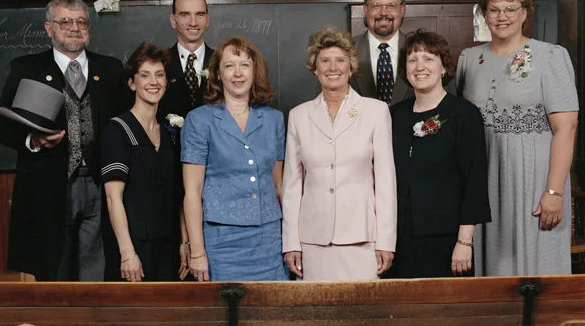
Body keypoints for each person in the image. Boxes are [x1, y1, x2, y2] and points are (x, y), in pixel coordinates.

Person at [0, 0, 129, 281]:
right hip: (48, 186)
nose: (74, 27)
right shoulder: (28, 68)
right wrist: (34, 140)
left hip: (101, 185)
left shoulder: (111, 69)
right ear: (49, 28)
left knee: (98, 267)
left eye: (81, 21)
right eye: (65, 21)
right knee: (55, 269)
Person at [456, 0, 579, 276]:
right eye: (494, 9)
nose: (502, 16)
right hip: (484, 181)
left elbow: (566, 128)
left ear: (525, 11)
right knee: (492, 278)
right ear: (484, 13)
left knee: (537, 275)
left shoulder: (550, 56)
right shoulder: (468, 60)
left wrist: (553, 193)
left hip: (534, 182)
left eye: (510, 9)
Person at [282, 26, 397, 281]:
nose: (332, 68)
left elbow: (386, 182)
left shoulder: (375, 111)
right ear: (314, 67)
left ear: (351, 67)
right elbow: (291, 185)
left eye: (340, 60)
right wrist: (291, 242)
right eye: (324, 60)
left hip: (362, 239)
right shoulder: (299, 116)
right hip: (312, 241)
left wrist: (386, 240)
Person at [181, 36, 288, 282]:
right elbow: (192, 192)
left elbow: (279, 185)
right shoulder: (199, 120)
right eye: (229, 66)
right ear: (218, 74)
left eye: (245, 65)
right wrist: (197, 252)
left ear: (254, 71)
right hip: (221, 241)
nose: (237, 73)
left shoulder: (273, 119)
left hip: (269, 239)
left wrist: (293, 240)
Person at [389, 29, 491, 278]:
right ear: (405, 70)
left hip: (447, 240)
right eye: (412, 60)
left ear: (444, 67)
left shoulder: (464, 115)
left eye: (428, 59)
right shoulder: (393, 115)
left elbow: (474, 182)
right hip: (398, 240)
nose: (419, 66)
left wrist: (464, 242)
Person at [100, 42, 182, 282]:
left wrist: (184, 242)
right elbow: (113, 197)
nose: (153, 82)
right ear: (131, 83)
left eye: (159, 75)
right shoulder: (117, 130)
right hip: (133, 247)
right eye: (144, 75)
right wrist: (127, 254)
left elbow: (178, 194)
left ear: (167, 82)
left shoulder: (168, 131)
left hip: (167, 246)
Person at [160, 0, 215, 280]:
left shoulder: (225, 64)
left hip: (215, 180)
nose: (193, 22)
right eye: (185, 14)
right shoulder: (157, 65)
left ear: (207, 20)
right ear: (173, 20)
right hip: (166, 181)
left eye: (199, 14)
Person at [351, 0, 412, 105]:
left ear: (402, 10)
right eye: (376, 6)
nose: (384, 13)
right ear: (365, 9)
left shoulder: (421, 50)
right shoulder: (345, 50)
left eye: (391, 6)